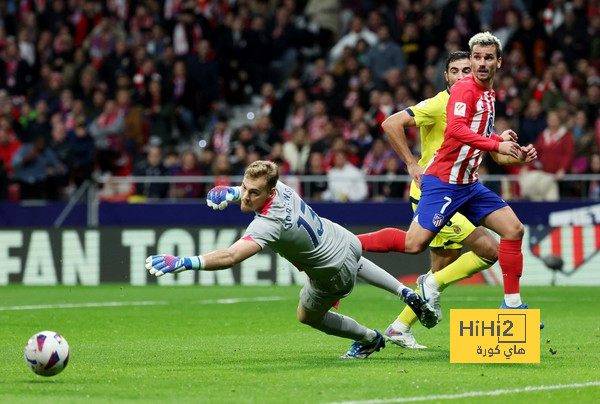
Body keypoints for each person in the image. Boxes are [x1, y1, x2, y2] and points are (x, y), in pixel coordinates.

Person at [145, 160, 438, 359]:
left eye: (253, 193)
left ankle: (369, 339)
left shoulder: (268, 224)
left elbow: (232, 255)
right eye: (244, 188)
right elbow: (251, 190)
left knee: (308, 316)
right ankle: (405, 291)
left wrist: (185, 262)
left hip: (331, 272)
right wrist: (231, 192)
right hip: (342, 239)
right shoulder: (282, 188)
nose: (246, 197)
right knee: (354, 258)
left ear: (269, 192)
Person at [358, 33, 541, 347]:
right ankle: (342, 242)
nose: (480, 64)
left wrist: (513, 151)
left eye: (487, 58)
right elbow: (456, 130)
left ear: (499, 62)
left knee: (513, 230)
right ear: (468, 62)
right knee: (416, 245)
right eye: (476, 58)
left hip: (469, 185)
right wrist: (413, 164)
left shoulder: (488, 95)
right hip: (442, 184)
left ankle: (512, 304)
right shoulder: (462, 93)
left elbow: (482, 146)